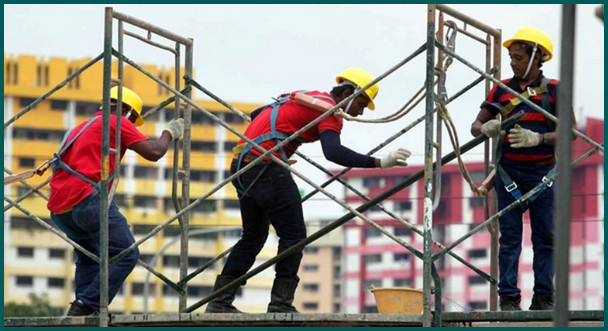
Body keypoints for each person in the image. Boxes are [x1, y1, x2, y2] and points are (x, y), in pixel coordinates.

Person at [205, 68, 411, 313]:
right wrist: (378, 163)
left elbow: (257, 113)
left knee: (252, 237)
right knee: (293, 237)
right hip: (266, 168)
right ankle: (280, 305)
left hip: (243, 166)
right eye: (361, 103)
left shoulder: (306, 97)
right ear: (347, 93)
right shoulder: (330, 111)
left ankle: (219, 302)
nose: (360, 112)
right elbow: (333, 151)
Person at [47, 86, 185, 316]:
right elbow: (154, 152)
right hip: (86, 200)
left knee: (91, 259)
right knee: (126, 253)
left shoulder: (78, 129)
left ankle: (82, 310)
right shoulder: (116, 122)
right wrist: (169, 133)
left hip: (61, 209)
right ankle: (87, 305)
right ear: (127, 111)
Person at [470, 27, 573, 311]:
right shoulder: (500, 89)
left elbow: (570, 131)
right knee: (510, 239)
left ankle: (543, 298)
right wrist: (486, 127)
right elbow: (475, 126)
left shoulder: (554, 89)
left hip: (544, 175)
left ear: (535, 57)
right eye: (511, 57)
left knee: (546, 238)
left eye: (518, 57)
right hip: (509, 174)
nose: (513, 62)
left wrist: (538, 138)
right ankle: (508, 299)